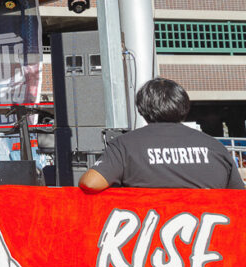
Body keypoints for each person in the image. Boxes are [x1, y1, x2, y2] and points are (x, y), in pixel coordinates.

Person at [79, 77, 245, 192]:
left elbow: (91, 183)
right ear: (184, 107)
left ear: (142, 109)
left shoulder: (125, 145)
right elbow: (237, 197)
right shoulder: (215, 147)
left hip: (149, 237)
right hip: (208, 237)